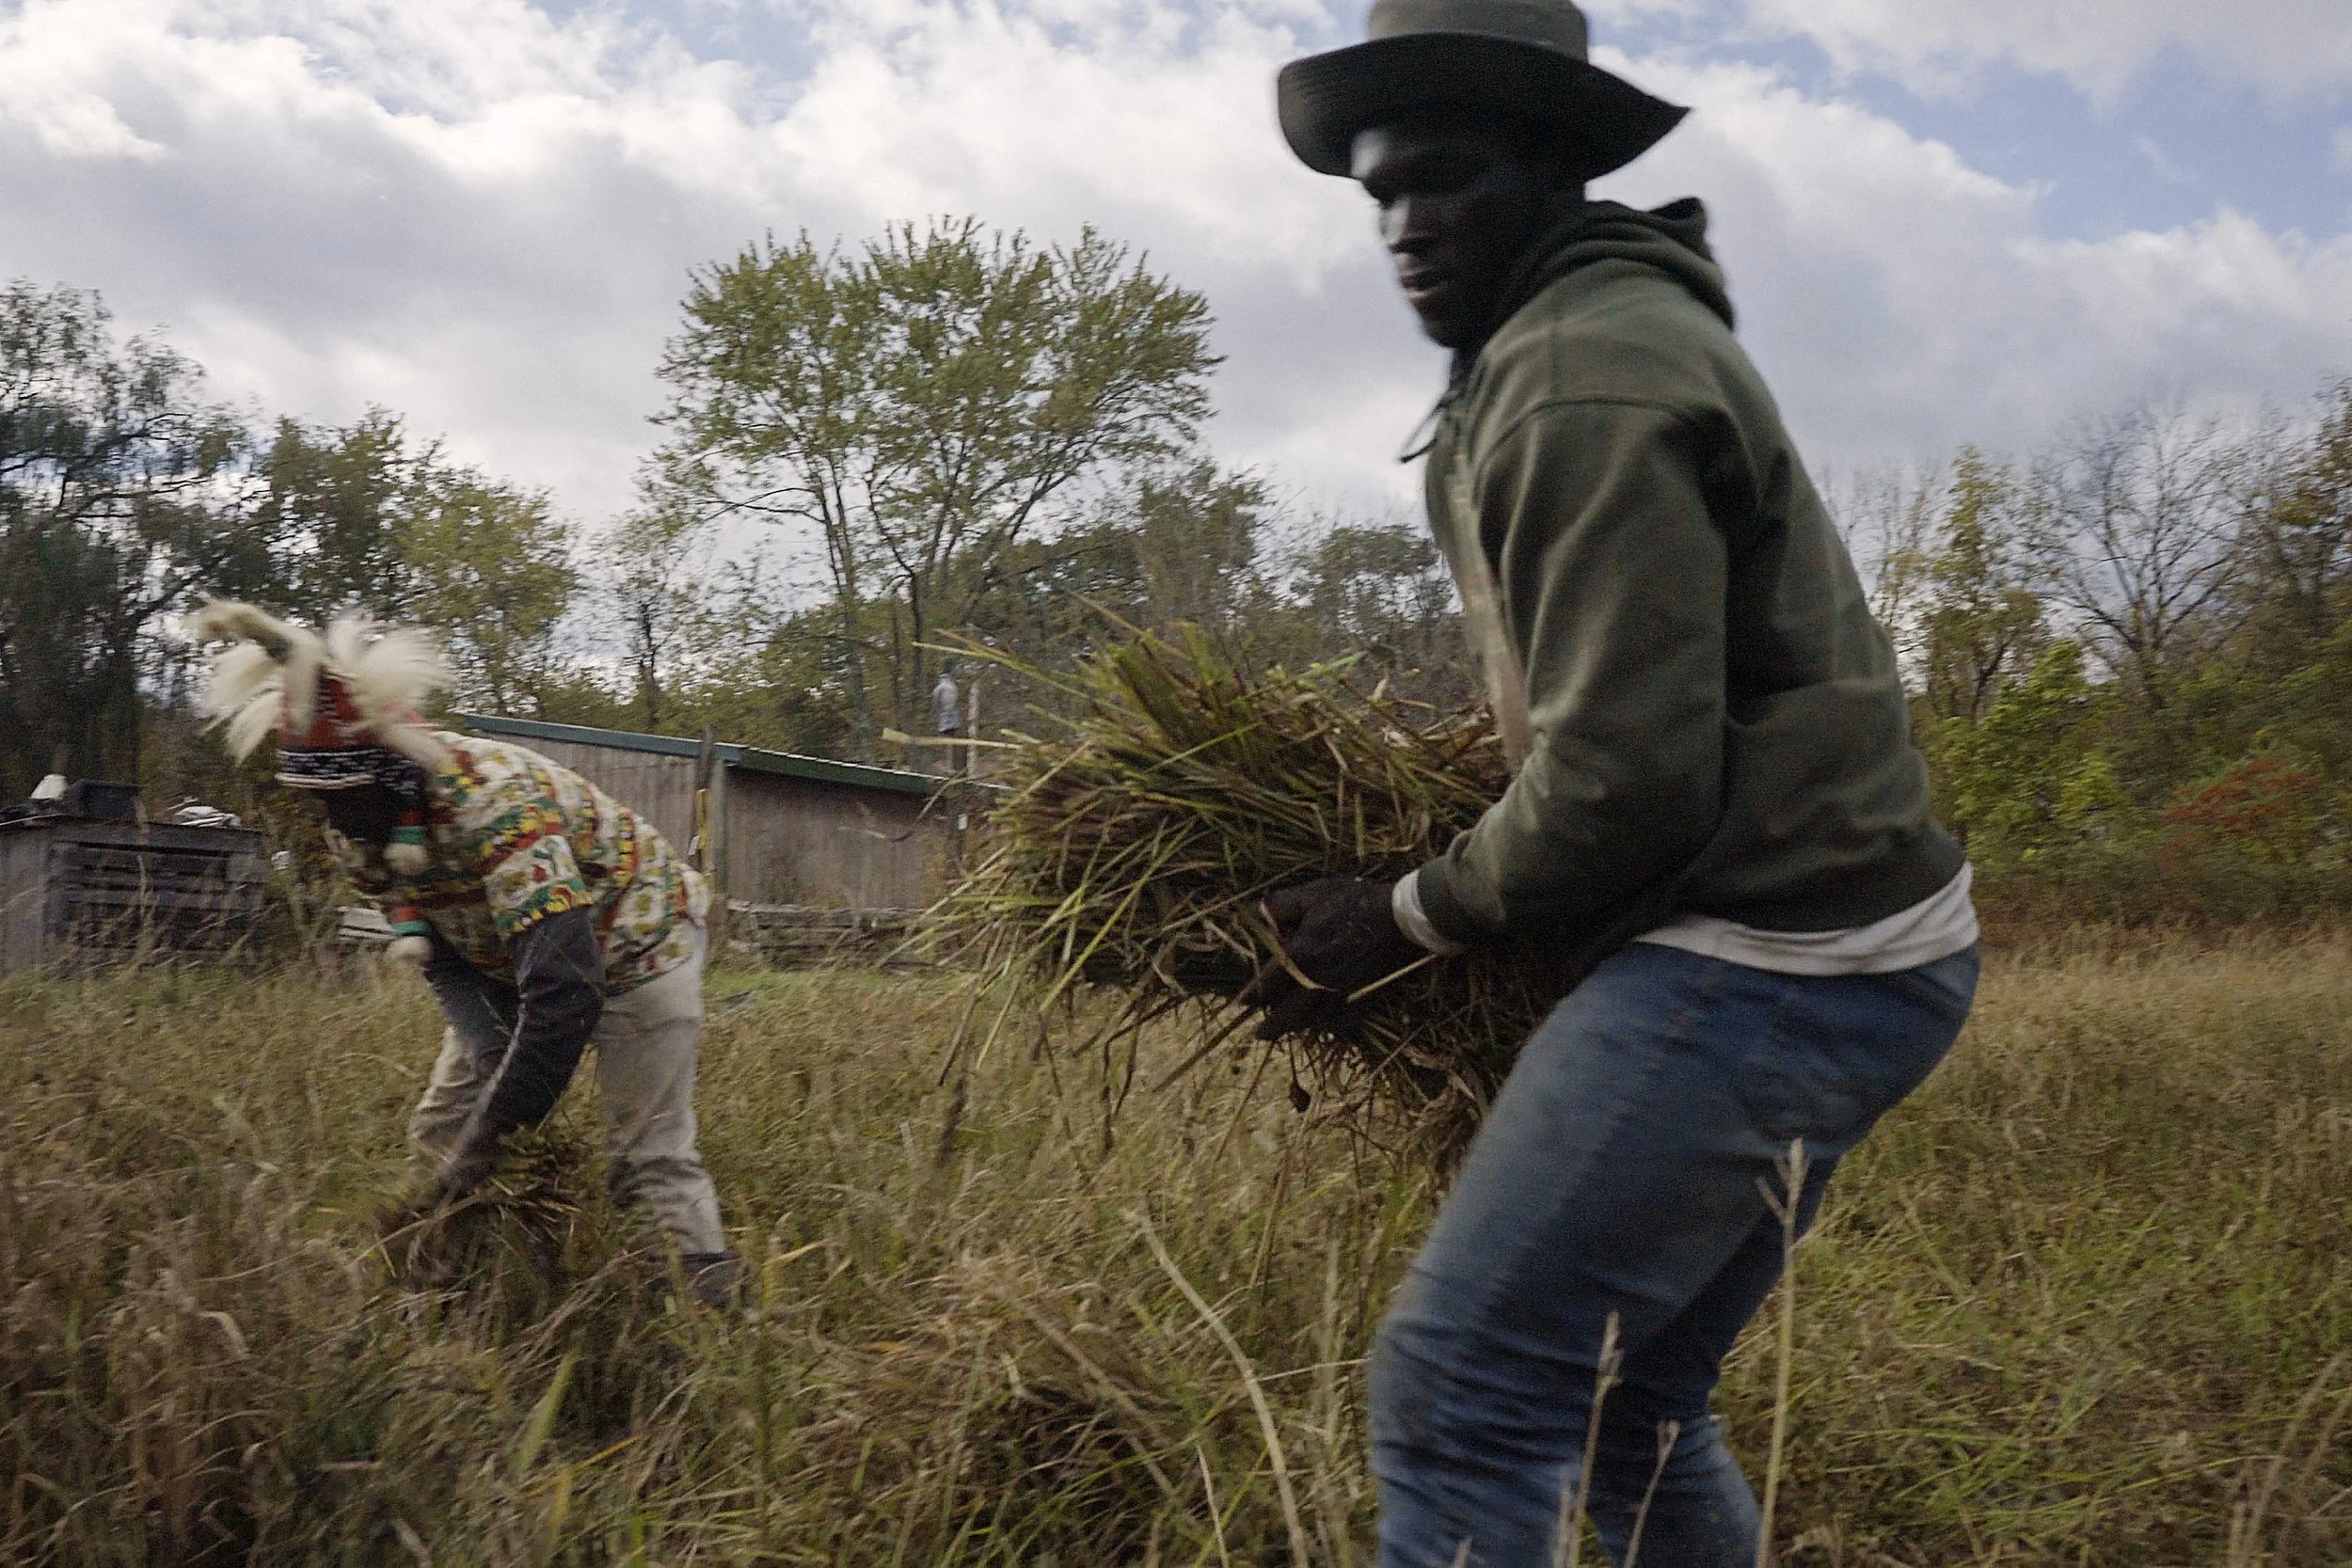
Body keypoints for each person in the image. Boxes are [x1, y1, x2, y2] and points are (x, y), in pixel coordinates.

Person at [1249, 4, 1981, 1563]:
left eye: (1443, 178)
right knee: (1624, 1400)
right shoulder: (1564, 349)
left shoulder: (1584, 377)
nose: (1405, 225)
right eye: (1379, 192)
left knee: (1463, 1387)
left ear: (1556, 167)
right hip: (1859, 939)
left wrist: (1403, 913)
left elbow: (1623, 785)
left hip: (1774, 954)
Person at [194, 602, 739, 1307]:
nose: (334, 820)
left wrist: (498, 1129)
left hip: (637, 943)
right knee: (443, 1128)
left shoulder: (494, 804)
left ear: (391, 774)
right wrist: (489, 1051)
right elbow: (439, 951)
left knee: (647, 1155)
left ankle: (701, 1323)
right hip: (510, 955)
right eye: (319, 800)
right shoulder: (357, 830)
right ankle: (465, 1291)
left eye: (345, 797)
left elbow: (567, 991)